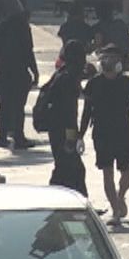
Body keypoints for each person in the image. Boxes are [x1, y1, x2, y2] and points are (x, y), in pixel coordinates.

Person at [81, 48, 129, 224]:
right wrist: (80, 135)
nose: (108, 61)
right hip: (102, 133)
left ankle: (120, 195)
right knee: (107, 171)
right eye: (105, 58)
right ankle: (115, 210)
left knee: (128, 168)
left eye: (113, 58)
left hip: (124, 131)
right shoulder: (93, 84)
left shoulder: (128, 83)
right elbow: (87, 112)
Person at [36, 40, 88, 194]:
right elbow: (69, 115)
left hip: (55, 129)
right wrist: (72, 139)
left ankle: (78, 202)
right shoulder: (68, 80)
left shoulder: (62, 74)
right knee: (74, 169)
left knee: (65, 168)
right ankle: (79, 203)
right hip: (63, 131)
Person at [0, 7, 37, 150]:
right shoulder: (23, 27)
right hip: (19, 71)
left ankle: (2, 136)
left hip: (3, 71)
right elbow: (28, 51)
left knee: (4, 104)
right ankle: (18, 136)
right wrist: (35, 71)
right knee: (18, 106)